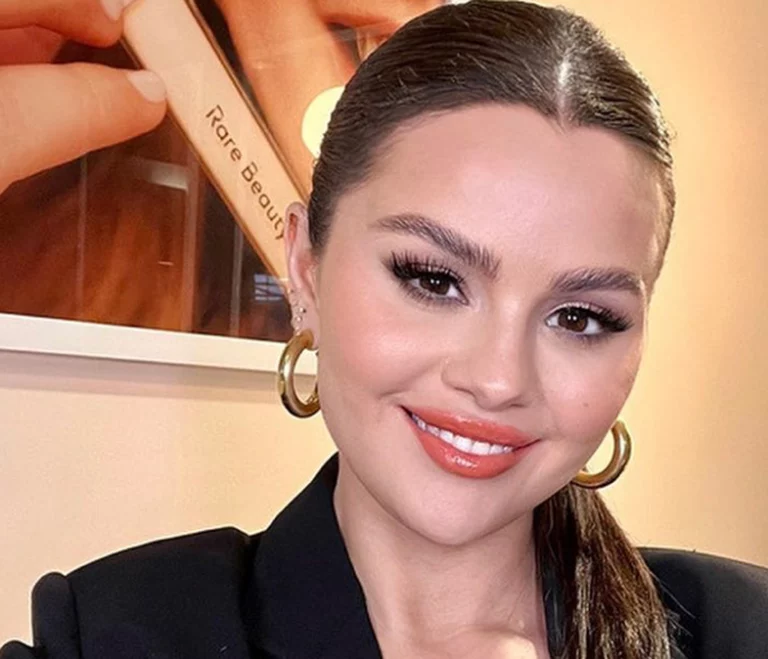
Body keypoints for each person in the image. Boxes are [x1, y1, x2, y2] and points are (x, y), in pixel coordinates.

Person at [2, 1, 767, 658]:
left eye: (580, 317)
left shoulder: (741, 628)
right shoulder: (116, 631)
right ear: (304, 267)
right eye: (433, 279)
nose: (498, 379)